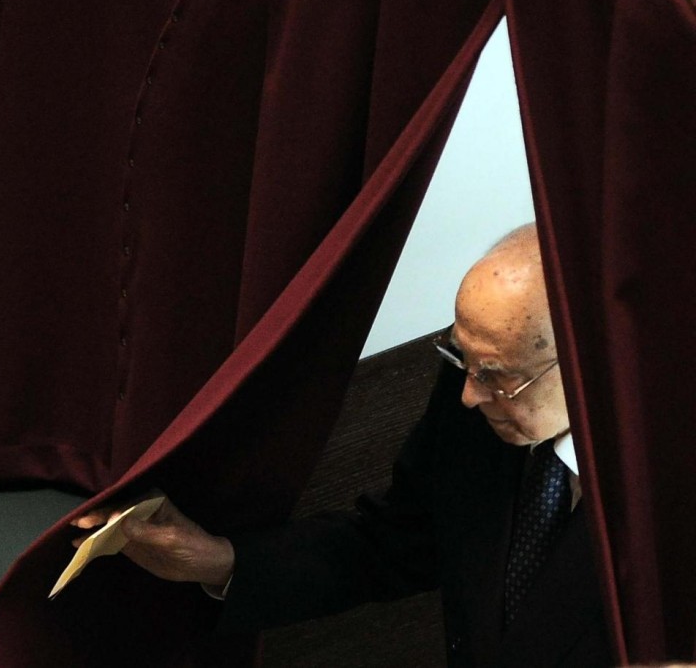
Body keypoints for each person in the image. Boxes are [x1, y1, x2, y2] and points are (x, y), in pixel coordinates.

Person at [72, 223, 611, 666]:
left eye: (493, 375)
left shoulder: (651, 485)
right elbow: (394, 543)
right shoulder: (476, 394)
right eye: (460, 357)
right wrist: (218, 561)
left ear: (587, 360)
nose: (470, 395)